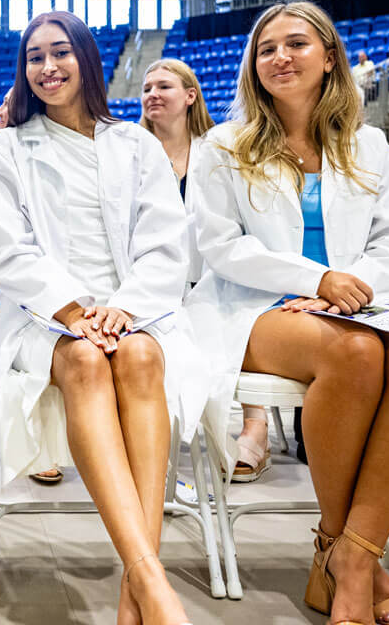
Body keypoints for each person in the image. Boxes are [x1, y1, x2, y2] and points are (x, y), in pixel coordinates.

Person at [185, 1, 389, 625]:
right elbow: (222, 249)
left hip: (355, 304)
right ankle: (351, 563)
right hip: (251, 309)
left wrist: (349, 286)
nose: (280, 56)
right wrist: (318, 279)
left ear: (329, 57)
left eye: (297, 44)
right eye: (267, 48)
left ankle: (346, 558)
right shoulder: (222, 146)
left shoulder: (368, 145)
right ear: (253, 66)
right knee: (351, 351)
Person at [0, 10, 204, 625]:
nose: (47, 68)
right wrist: (76, 312)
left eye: (60, 53)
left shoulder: (136, 146)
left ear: (86, 58)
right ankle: (153, 583)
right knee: (83, 359)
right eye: (34, 58)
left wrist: (121, 308)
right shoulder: (6, 150)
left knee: (142, 355)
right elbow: (5, 250)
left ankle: (140, 579)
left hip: (136, 309)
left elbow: (165, 244)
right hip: (43, 316)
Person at [141, 58, 280, 482]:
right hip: (155, 284)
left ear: (190, 96)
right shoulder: (133, 153)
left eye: (163, 86)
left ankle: (256, 428)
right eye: (146, 88)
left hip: (216, 278)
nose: (152, 95)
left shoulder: (221, 149)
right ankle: (152, 439)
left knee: (237, 322)